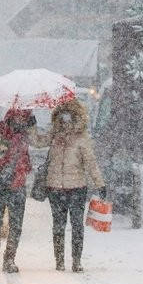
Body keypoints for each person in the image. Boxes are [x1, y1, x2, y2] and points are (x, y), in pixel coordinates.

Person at [43, 99, 105, 273]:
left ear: (75, 117)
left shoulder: (82, 138)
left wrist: (99, 183)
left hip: (77, 188)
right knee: (58, 226)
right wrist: (31, 127)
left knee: (77, 225)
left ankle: (76, 260)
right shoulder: (54, 135)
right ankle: (59, 260)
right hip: (55, 187)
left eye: (69, 117)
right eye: (62, 117)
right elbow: (38, 141)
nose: (65, 121)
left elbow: (91, 163)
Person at [0, 108, 37, 274]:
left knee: (16, 225)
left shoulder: (26, 134)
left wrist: (34, 127)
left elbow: (38, 143)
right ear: (10, 116)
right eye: (18, 116)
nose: (21, 120)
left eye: (25, 118)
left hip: (17, 185)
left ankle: (9, 258)